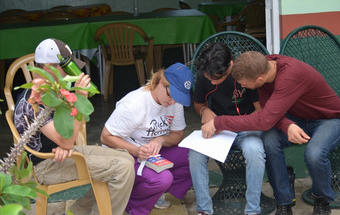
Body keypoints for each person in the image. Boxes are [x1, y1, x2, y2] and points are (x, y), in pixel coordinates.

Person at [201, 51, 340, 215]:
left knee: (314, 154)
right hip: (296, 118)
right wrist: (287, 124)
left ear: (259, 79)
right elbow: (270, 113)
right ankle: (284, 202)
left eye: (245, 84)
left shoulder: (289, 76)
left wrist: (219, 121)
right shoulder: (262, 66)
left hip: (329, 119)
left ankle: (322, 200)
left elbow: (264, 120)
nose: (243, 87)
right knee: (269, 140)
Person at [14, 38, 135, 215]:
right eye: (67, 68)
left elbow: (64, 135)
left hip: (60, 154)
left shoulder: (51, 91)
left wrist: (63, 145)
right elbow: (67, 139)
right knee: (122, 169)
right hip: (45, 166)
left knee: (127, 158)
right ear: (48, 68)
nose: (71, 74)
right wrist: (79, 98)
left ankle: (79, 212)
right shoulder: (34, 100)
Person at [100, 62, 194, 215]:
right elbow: (105, 137)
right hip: (125, 153)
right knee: (163, 179)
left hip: (152, 151)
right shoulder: (134, 104)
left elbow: (178, 134)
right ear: (159, 82)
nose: (173, 102)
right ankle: (131, 204)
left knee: (194, 156)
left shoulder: (174, 101)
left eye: (178, 98)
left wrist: (161, 139)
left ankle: (152, 194)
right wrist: (136, 150)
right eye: (171, 96)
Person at [189, 43, 265, 215]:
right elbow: (198, 103)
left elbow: (260, 112)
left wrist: (225, 122)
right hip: (219, 130)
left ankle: (253, 210)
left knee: (255, 151)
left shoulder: (244, 73)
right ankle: (204, 210)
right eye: (208, 76)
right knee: (195, 154)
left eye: (216, 77)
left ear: (230, 65)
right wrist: (204, 110)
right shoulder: (204, 75)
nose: (211, 81)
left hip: (247, 127)